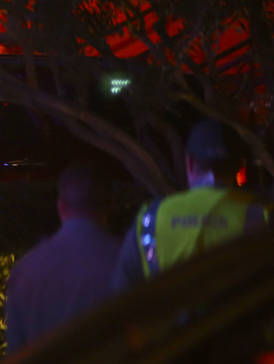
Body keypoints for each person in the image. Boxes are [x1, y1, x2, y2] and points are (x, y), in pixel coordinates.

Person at [111, 119, 270, 292]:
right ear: (240, 167)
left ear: (189, 163)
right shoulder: (262, 215)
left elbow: (122, 292)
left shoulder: (151, 218)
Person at [5, 162, 121, 354]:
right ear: (109, 205)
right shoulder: (127, 261)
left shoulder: (24, 272)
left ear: (61, 207)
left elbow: (15, 354)